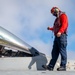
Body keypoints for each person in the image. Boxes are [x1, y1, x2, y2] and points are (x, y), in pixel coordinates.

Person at [42, 7, 68, 71]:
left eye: (53, 13)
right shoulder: (57, 19)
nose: (53, 14)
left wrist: (60, 31)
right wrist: (50, 28)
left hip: (62, 36)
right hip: (57, 37)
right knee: (54, 52)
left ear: (56, 10)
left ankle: (63, 66)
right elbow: (55, 28)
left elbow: (64, 25)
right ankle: (50, 66)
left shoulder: (63, 16)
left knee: (62, 51)